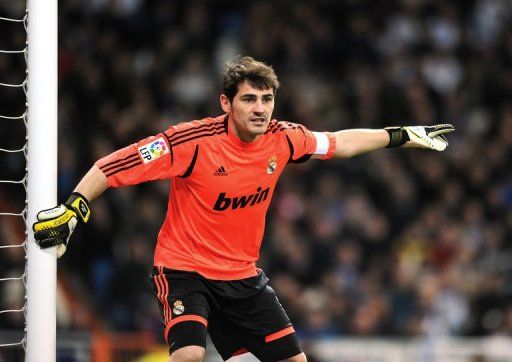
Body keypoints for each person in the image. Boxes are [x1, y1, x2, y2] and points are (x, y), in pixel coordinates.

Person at [33, 56, 454, 362]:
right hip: (185, 270)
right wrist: (75, 206)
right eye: (249, 99)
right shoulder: (189, 141)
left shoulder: (284, 138)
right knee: (189, 357)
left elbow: (340, 143)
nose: (260, 108)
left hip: (242, 276)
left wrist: (399, 135)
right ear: (225, 103)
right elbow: (115, 164)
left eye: (267, 99)